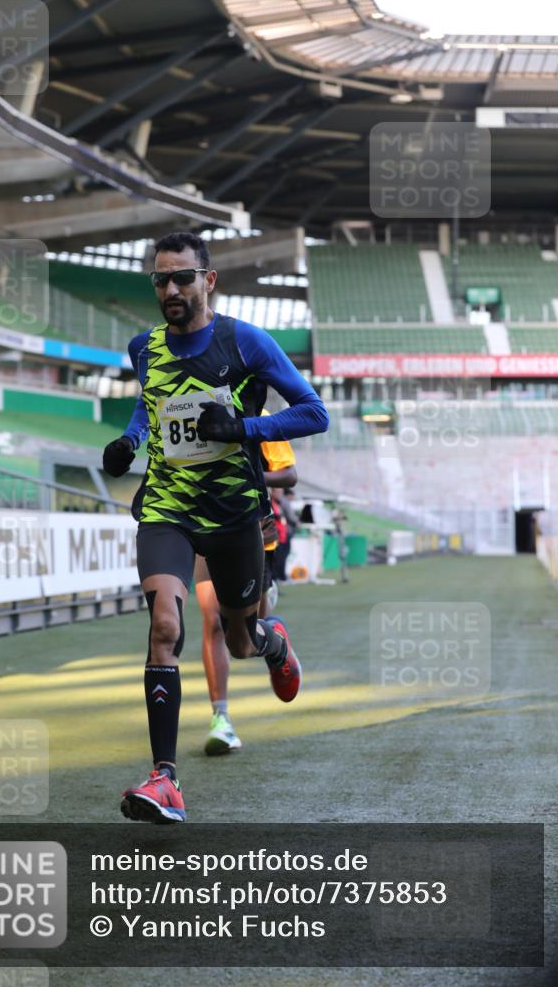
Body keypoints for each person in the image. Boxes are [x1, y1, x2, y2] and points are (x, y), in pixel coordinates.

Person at [102, 231, 328, 823]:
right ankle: (165, 779)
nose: (171, 289)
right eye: (161, 279)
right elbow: (149, 405)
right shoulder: (143, 347)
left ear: (209, 280)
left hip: (234, 516)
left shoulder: (245, 341)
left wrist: (243, 429)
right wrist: (130, 441)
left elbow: (314, 412)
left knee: (239, 640)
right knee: (165, 625)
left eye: (183, 277)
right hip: (167, 510)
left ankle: (273, 642)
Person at [195, 428, 297, 755]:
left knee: (246, 638)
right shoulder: (185, 408)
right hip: (203, 527)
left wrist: (251, 477)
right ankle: (221, 719)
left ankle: (275, 641)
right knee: (213, 621)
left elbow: (289, 475)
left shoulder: (260, 418)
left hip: (254, 534)